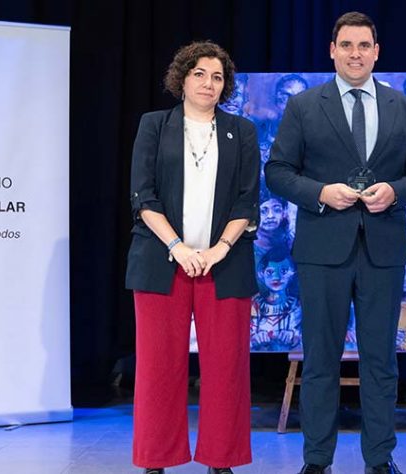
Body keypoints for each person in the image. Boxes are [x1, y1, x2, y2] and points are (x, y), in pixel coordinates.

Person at [265, 11, 406, 474]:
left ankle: (379, 459)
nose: (355, 54)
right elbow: (277, 171)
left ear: (377, 52)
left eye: (363, 46)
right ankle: (317, 460)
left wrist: (395, 191)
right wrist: (320, 192)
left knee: (381, 362)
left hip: (383, 251)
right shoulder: (304, 106)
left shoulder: (404, 107)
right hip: (322, 251)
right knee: (320, 361)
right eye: (346, 45)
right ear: (332, 51)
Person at [125, 41, 260, 474]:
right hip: (162, 261)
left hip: (225, 264)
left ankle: (222, 460)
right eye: (199, 73)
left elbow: (247, 201)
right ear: (182, 78)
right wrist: (178, 248)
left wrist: (219, 250)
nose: (208, 83)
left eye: (217, 77)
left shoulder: (242, 131)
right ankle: (156, 461)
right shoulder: (154, 125)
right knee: (158, 368)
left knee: (226, 369)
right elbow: (143, 195)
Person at [251, 248, 302, 351]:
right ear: (262, 274)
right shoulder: (255, 305)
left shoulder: (296, 306)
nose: (276, 277)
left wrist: (293, 336)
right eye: (270, 272)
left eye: (284, 271)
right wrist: (254, 339)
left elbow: (307, 339)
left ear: (292, 273)